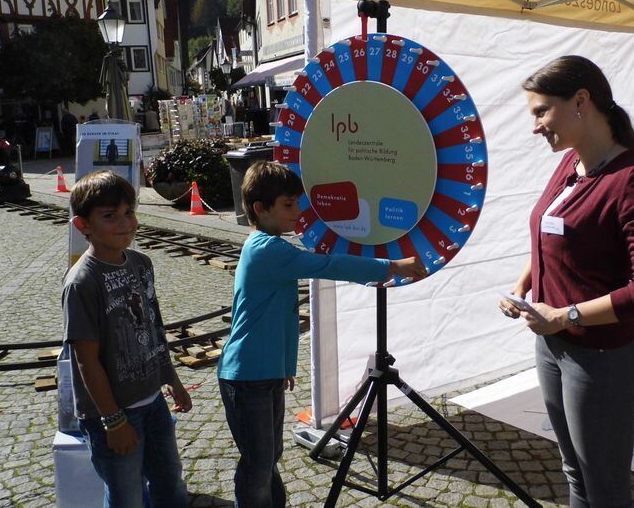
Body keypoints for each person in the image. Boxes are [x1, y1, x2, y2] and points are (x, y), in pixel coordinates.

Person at [499, 55, 634, 507]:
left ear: (581, 101)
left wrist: (566, 315)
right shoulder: (571, 164)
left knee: (603, 486)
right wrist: (524, 285)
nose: (535, 126)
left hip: (601, 360)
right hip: (554, 346)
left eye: (541, 111)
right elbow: (550, 232)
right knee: (575, 471)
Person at [217, 161, 428, 507]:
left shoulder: (267, 245)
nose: (298, 211)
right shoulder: (268, 250)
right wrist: (390, 265)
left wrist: (285, 366)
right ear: (260, 208)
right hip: (246, 376)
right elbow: (326, 265)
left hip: (263, 372)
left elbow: (282, 317)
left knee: (269, 457)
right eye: (288, 204)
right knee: (258, 465)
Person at [62, 170, 191, 507]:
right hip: (113, 415)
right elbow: (86, 361)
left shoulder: (141, 263)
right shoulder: (82, 283)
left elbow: (154, 328)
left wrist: (173, 380)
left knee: (171, 486)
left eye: (129, 212)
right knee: (126, 496)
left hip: (153, 403)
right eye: (110, 216)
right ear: (83, 225)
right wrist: (113, 421)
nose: (124, 223)